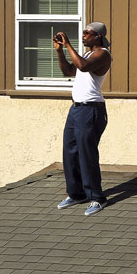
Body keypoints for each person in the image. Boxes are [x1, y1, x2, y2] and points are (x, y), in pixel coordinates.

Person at [53, 22, 112, 216]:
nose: (84, 35)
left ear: (99, 37)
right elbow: (69, 71)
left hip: (91, 110)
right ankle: (77, 194)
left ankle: (97, 197)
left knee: (87, 155)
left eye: (88, 33)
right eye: (84, 32)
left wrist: (69, 45)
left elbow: (83, 67)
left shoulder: (103, 54)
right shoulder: (85, 54)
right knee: (70, 152)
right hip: (76, 109)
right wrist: (60, 51)